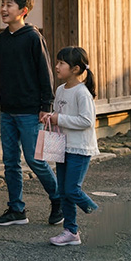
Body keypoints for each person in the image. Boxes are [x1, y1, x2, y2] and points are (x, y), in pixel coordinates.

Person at [0, 0, 62, 227]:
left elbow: (45, 73)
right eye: (3, 4)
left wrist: (45, 105)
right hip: (7, 111)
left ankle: (59, 200)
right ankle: (16, 209)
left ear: (23, 11)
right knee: (10, 162)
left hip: (30, 112)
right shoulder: (0, 39)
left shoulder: (32, 37)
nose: (4, 9)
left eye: (10, 5)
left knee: (36, 160)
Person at [42, 46, 100, 246]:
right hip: (63, 146)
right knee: (64, 191)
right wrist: (51, 118)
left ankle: (97, 212)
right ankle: (71, 231)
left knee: (72, 190)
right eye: (57, 62)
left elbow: (87, 121)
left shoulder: (82, 93)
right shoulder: (59, 90)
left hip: (80, 149)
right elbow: (60, 116)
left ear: (75, 69)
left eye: (61, 63)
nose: (56, 66)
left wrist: (60, 118)